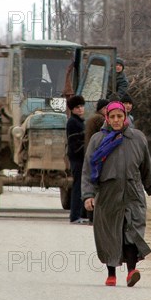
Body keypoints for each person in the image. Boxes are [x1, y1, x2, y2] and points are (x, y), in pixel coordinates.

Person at [82, 101, 151, 287]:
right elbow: (88, 170)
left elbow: (147, 168)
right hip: (108, 196)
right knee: (110, 234)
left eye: (120, 116)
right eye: (112, 117)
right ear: (107, 119)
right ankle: (111, 274)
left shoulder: (137, 138)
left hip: (133, 194)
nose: (116, 120)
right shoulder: (97, 140)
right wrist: (88, 195)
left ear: (125, 117)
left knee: (132, 232)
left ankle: (132, 271)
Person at [66, 95, 87, 224]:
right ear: (72, 109)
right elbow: (74, 143)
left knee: (81, 186)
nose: (80, 109)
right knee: (77, 186)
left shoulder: (80, 121)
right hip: (77, 158)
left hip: (81, 158)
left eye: (81, 106)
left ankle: (81, 214)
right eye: (77, 107)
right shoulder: (73, 122)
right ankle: (75, 216)